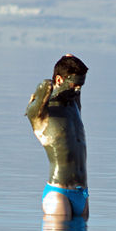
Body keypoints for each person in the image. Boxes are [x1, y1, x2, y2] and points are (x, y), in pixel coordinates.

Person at [26, 54, 89, 218]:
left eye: (81, 86)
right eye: (75, 85)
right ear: (60, 80)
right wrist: (50, 85)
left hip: (82, 194)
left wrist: (69, 59)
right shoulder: (43, 114)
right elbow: (41, 92)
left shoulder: (74, 105)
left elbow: (73, 80)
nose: (78, 90)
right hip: (58, 194)